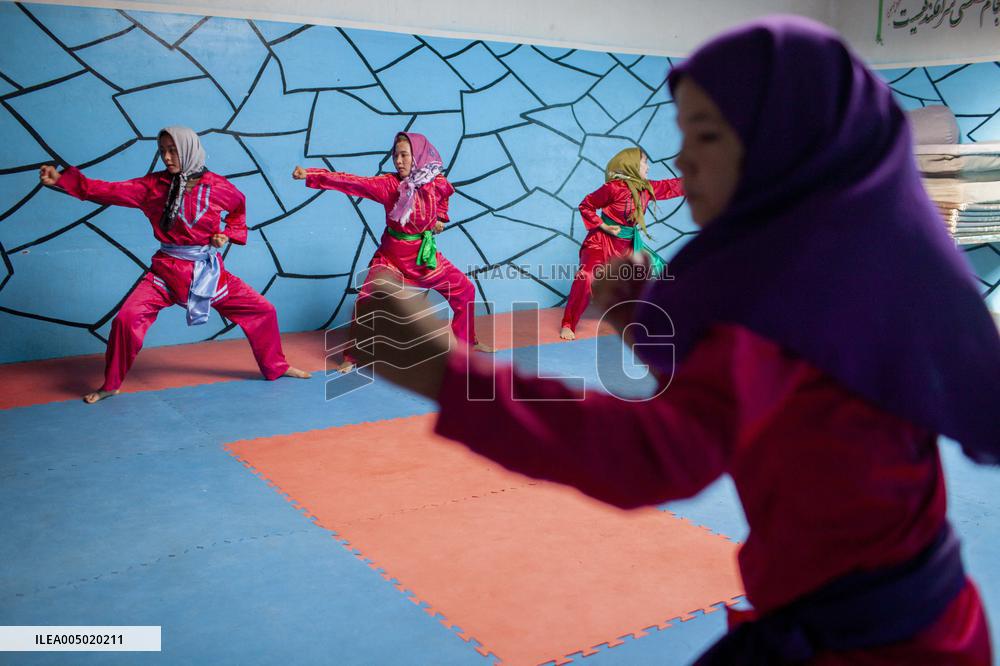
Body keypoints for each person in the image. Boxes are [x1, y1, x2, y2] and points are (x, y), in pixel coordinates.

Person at [346, 16, 999, 665]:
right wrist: (638, 313)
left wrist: (442, 372)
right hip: (929, 619)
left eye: (707, 135)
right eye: (683, 132)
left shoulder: (780, 306)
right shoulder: (841, 261)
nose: (683, 158)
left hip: (882, 648)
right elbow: (744, 391)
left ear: (785, 143)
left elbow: (653, 454)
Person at [39, 126, 310, 403]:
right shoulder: (151, 187)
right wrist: (62, 180)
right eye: (162, 151)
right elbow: (106, 190)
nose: (167, 157)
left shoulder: (219, 187)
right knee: (126, 319)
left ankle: (276, 366)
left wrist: (225, 235)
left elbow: (238, 212)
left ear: (189, 150)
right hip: (165, 273)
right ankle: (111, 383)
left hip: (207, 273)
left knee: (263, 311)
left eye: (173, 150)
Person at [292, 131, 492, 373]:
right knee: (366, 300)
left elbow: (446, 194)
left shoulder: (435, 182)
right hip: (392, 259)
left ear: (418, 156)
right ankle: (353, 356)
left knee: (465, 289)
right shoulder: (389, 185)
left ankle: (468, 343)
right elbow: (352, 181)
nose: (398, 161)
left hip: (423, 256)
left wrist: (440, 217)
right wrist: (312, 174)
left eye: (404, 155)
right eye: (395, 155)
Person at [560, 147, 683, 340]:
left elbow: (672, 186)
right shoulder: (613, 188)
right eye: (644, 162)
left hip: (627, 244)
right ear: (631, 164)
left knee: (661, 274)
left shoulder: (647, 189)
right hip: (600, 242)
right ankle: (568, 323)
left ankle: (655, 322)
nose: (648, 166)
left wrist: (702, 176)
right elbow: (586, 205)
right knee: (587, 276)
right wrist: (603, 226)